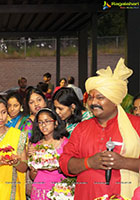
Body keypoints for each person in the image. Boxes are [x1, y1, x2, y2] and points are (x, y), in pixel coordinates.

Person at [59, 58, 140, 199]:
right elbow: (65, 163)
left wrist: (123, 162)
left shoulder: (136, 125)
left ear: (114, 100)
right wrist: (89, 162)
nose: (93, 102)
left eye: (99, 97)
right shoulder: (82, 128)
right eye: (90, 98)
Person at [28, 108, 69, 200]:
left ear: (56, 123)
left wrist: (59, 168)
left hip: (59, 191)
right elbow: (33, 177)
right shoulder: (35, 145)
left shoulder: (65, 143)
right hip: (39, 190)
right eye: (40, 122)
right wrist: (33, 169)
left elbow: (71, 169)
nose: (44, 125)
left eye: (47, 121)